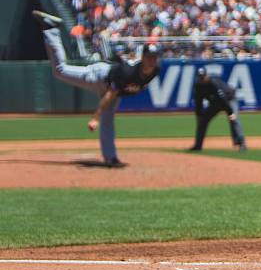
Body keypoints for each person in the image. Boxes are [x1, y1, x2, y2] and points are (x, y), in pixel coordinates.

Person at [33, 10, 160, 167]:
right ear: (143, 58)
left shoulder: (155, 70)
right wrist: (95, 118)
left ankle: (110, 158)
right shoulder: (129, 72)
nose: (152, 61)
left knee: (108, 121)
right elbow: (110, 94)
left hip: (112, 86)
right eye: (149, 57)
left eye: (155, 58)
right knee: (60, 70)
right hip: (99, 77)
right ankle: (51, 29)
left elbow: (121, 90)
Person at [189, 67, 247, 152]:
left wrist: (230, 113)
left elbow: (223, 100)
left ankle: (241, 144)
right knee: (203, 121)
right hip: (215, 103)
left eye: (203, 77)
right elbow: (198, 102)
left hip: (229, 100)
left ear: (206, 76)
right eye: (200, 77)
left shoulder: (213, 84)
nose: (202, 79)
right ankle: (198, 145)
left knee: (233, 120)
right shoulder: (198, 86)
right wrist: (199, 115)